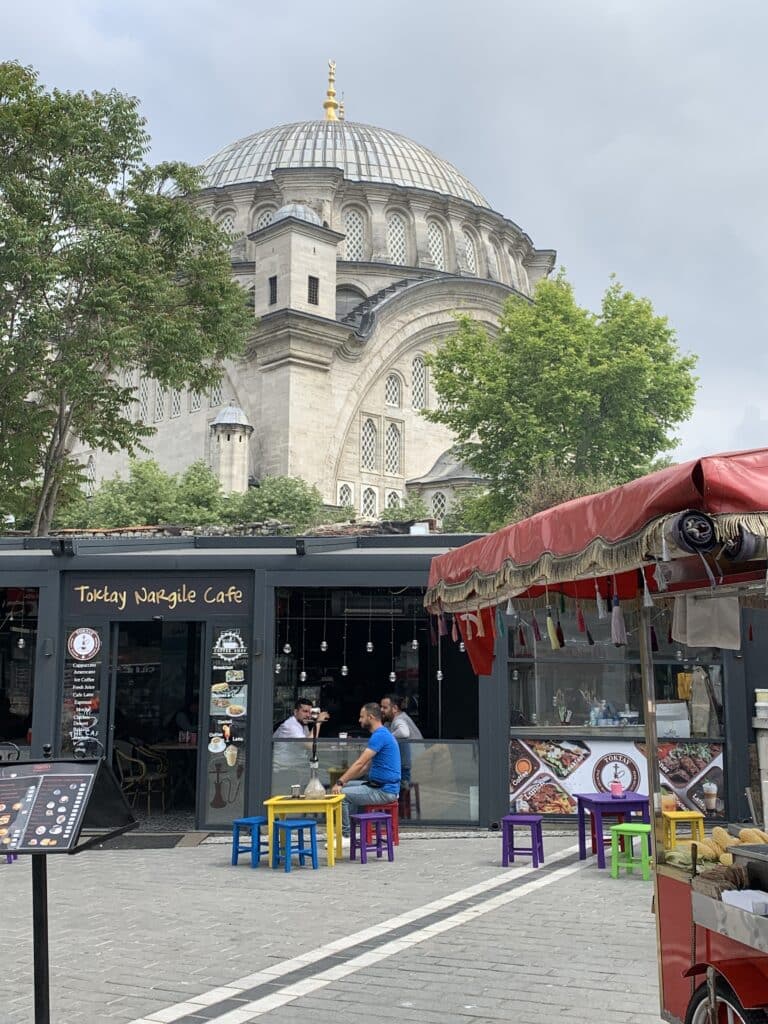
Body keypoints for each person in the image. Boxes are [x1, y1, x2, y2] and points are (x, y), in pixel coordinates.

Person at [331, 702, 401, 845]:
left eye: (361, 717)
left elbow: (360, 763)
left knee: (342, 796)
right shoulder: (382, 734)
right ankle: (349, 831)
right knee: (347, 788)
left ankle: (345, 837)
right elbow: (364, 769)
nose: (359, 720)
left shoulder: (379, 736)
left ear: (370, 717)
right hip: (379, 786)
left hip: (384, 790)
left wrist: (340, 782)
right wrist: (346, 781)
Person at [272, 698, 330, 775]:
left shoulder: (303, 724)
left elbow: (312, 742)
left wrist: (332, 745)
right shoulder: (291, 725)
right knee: (324, 775)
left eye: (310, 712)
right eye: (305, 711)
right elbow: (309, 745)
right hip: (285, 769)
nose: (308, 715)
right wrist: (318, 722)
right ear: (296, 712)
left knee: (327, 770)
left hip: (298, 765)